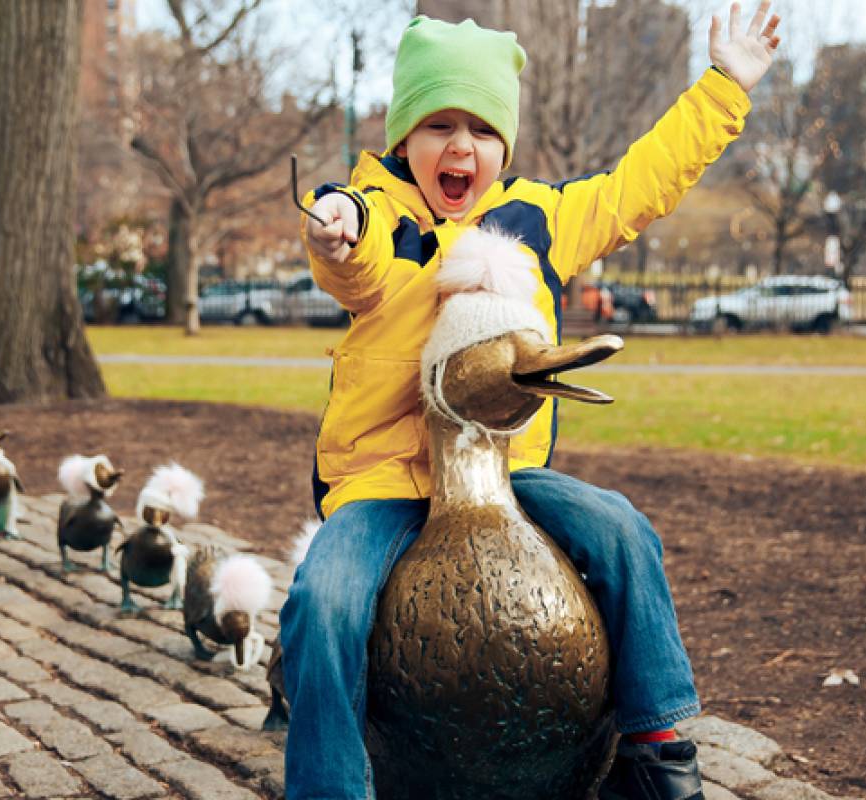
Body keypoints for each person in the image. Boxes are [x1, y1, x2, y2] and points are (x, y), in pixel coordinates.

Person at [283, 4, 783, 798]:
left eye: (481, 130)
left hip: (504, 478)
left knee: (622, 529)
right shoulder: (379, 215)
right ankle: (330, 786)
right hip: (382, 484)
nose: (460, 146)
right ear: (402, 139)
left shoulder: (539, 221)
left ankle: (656, 749)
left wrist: (723, 87)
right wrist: (333, 227)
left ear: (503, 147)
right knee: (324, 595)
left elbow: (640, 184)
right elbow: (354, 249)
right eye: (438, 124)